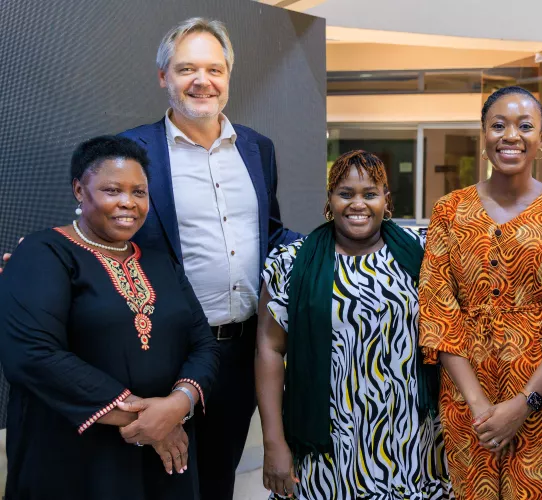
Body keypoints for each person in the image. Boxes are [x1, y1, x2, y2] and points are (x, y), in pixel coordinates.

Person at [117, 18, 302, 499]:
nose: (203, 81)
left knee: (218, 479)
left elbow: (272, 233)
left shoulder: (257, 149)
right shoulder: (133, 151)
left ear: (228, 75)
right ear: (164, 77)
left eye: (214, 69)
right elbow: (103, 234)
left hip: (237, 353)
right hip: (162, 354)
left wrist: (337, 246)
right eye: (187, 69)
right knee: (161, 482)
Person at [0, 136, 219, 499]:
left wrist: (178, 404)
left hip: (163, 450)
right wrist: (149, 422)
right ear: (79, 190)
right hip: (74, 452)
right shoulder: (44, 252)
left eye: (139, 192)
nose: (128, 203)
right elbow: (33, 355)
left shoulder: (159, 261)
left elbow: (203, 345)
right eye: (112, 190)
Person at [418, 86, 542, 499]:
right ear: (483, 136)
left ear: (540, 141)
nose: (511, 135)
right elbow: (438, 311)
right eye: (498, 125)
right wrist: (479, 406)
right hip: (469, 395)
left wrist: (526, 403)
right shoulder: (450, 210)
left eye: (525, 126)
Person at [256, 150, 452, 499]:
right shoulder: (290, 263)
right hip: (328, 443)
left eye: (370, 194)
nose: (357, 204)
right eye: (345, 193)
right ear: (330, 200)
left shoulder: (422, 253)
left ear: (386, 200)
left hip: (409, 440)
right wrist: (273, 442)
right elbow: (269, 350)